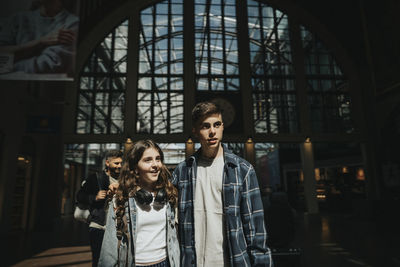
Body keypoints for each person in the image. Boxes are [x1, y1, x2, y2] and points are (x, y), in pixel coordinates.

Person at [172, 101, 273, 266]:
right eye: (205, 126)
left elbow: (255, 230)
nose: (212, 131)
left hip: (232, 261)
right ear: (195, 131)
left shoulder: (243, 170)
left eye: (216, 124)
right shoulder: (183, 171)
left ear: (223, 127)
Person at [98, 140, 180, 267]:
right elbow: (109, 248)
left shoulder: (168, 195)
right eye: (148, 160)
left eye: (158, 159)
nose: (155, 165)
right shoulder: (121, 199)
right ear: (135, 168)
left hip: (166, 263)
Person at [0, 0, 78, 74]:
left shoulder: (71, 23)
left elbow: (46, 65)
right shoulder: (17, 19)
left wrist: (8, 66)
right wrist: (40, 42)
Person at [77, 150, 123, 267]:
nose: (119, 166)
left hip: (119, 226)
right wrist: (94, 197)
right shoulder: (95, 178)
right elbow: (80, 196)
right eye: (116, 163)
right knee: (98, 260)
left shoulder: (124, 180)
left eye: (121, 163)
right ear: (107, 163)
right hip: (99, 226)